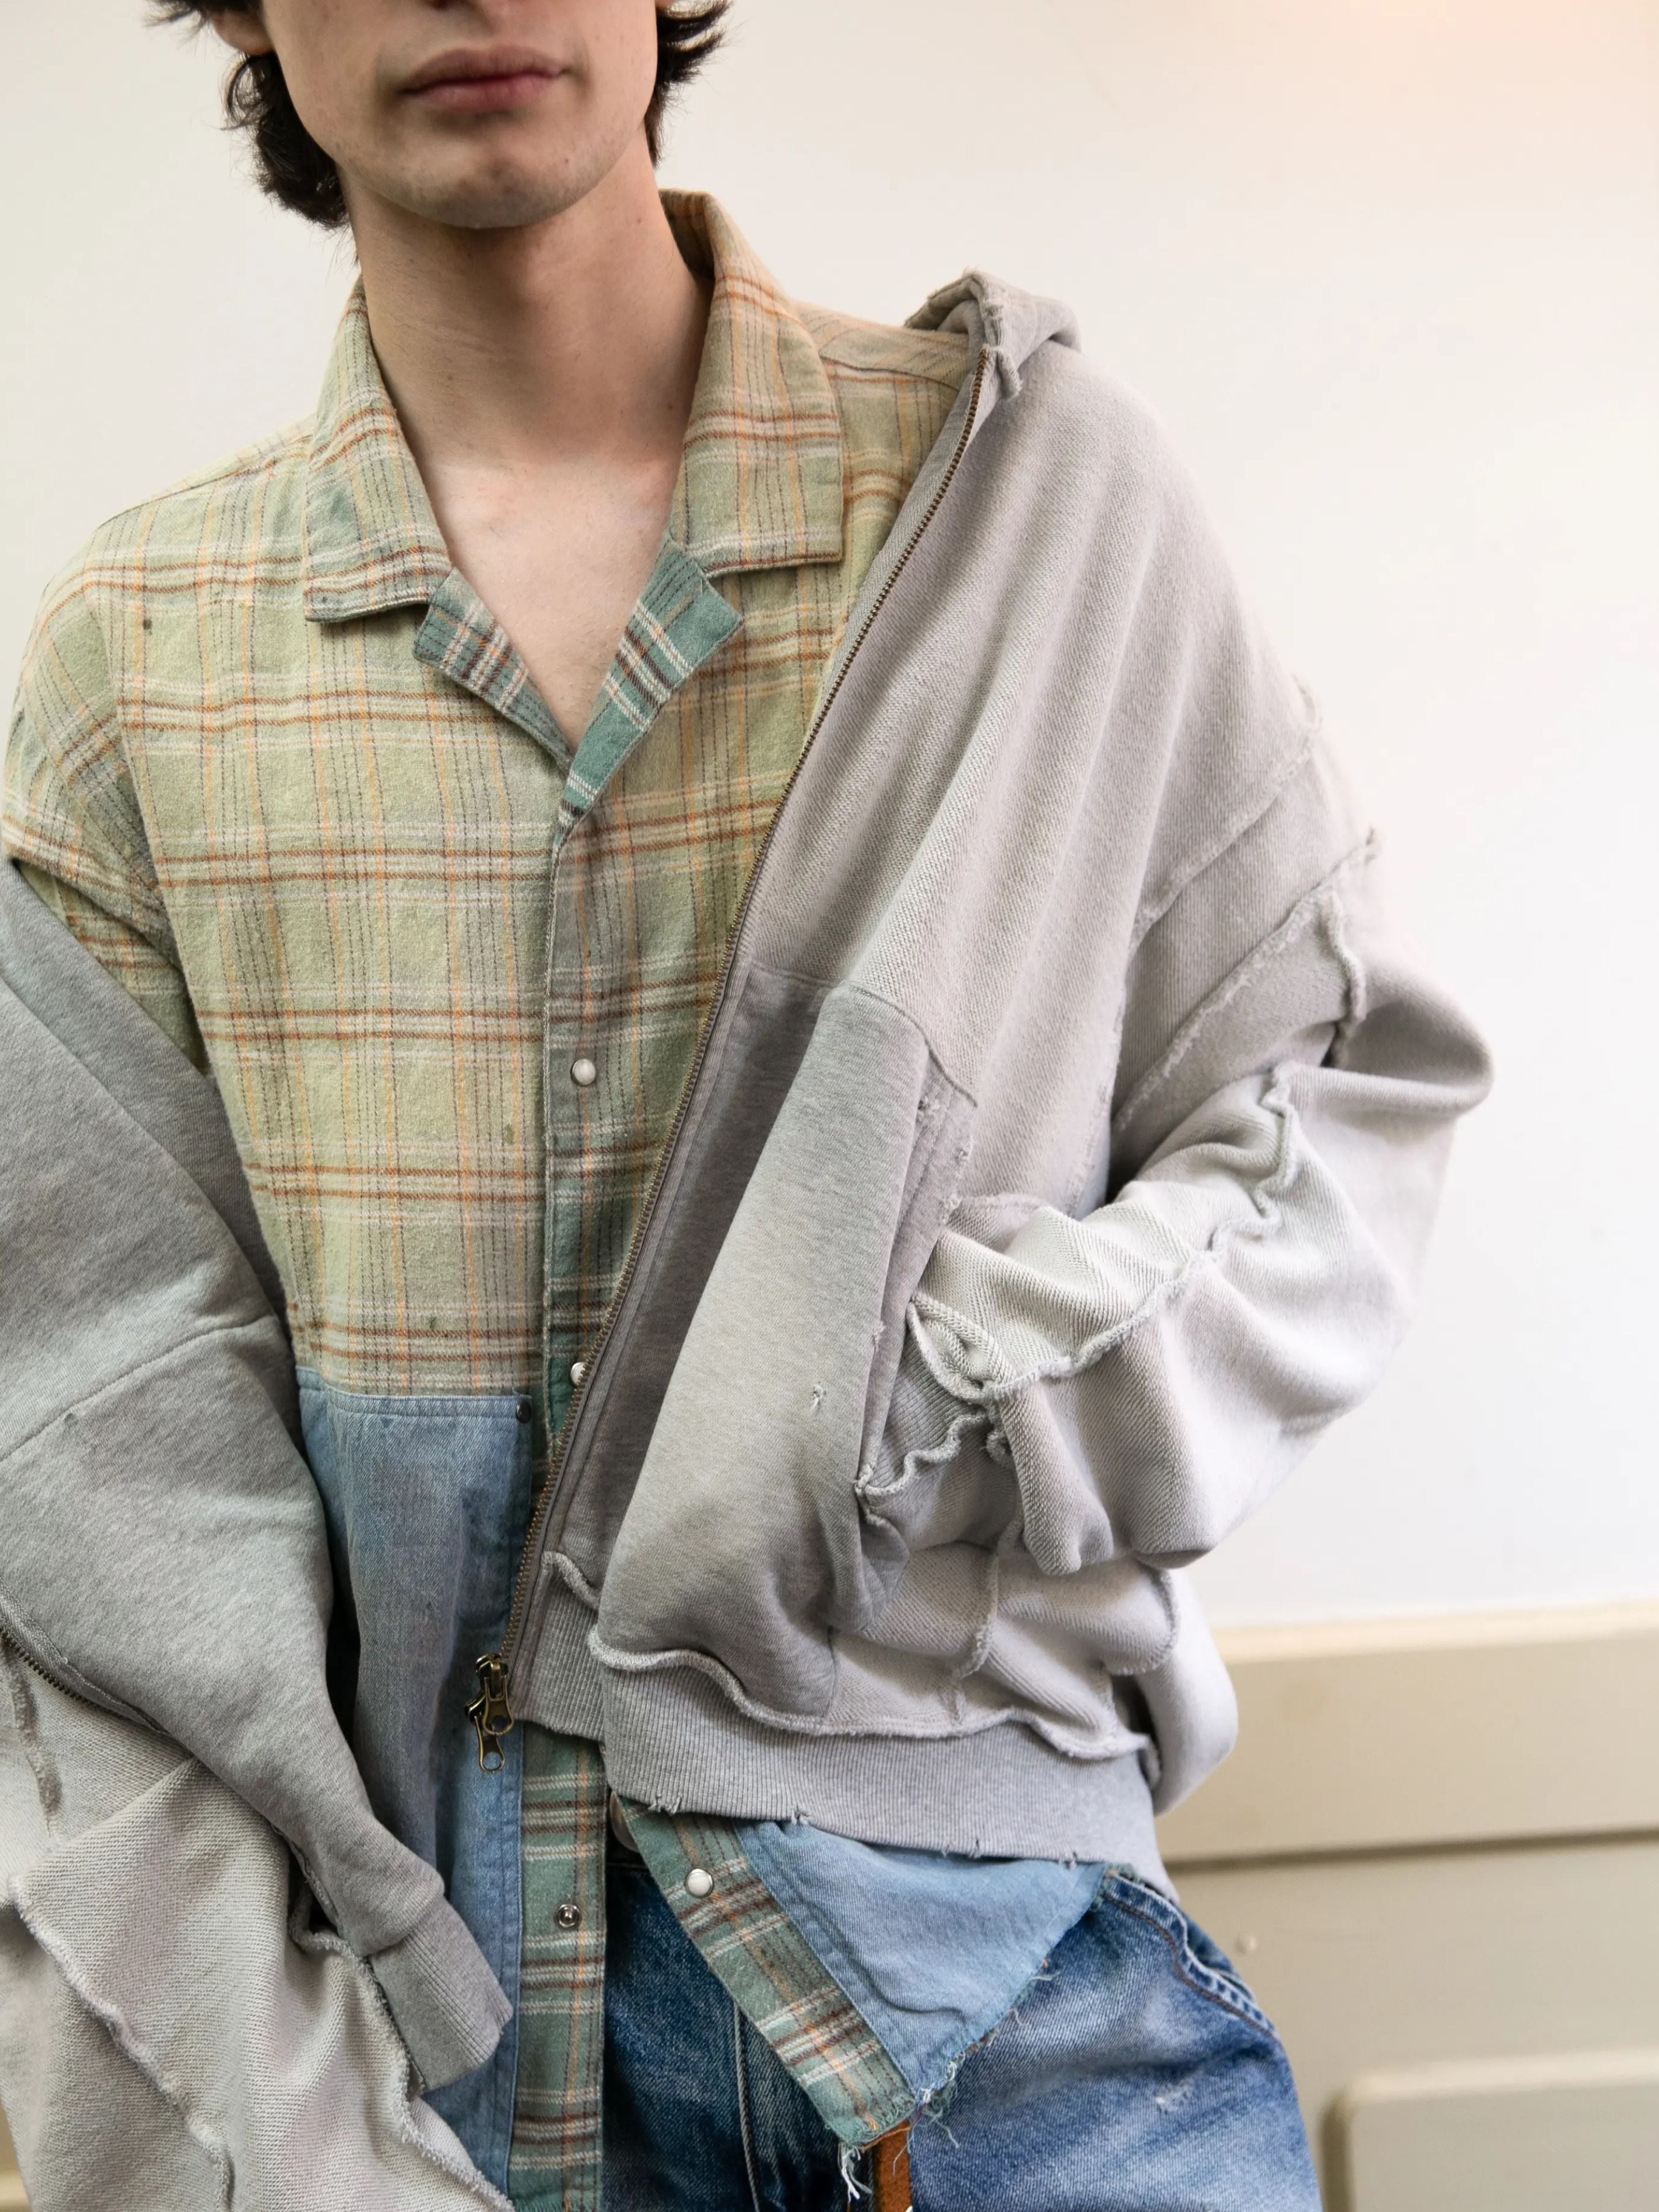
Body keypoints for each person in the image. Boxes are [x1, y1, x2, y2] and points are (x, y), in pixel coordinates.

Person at [0, 5, 1490, 2208]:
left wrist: (924, 1400)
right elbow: (93, 1484)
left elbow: (1332, 1105)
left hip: (1002, 2041)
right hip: (422, 2084)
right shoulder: (145, 654)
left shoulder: (1017, 525)